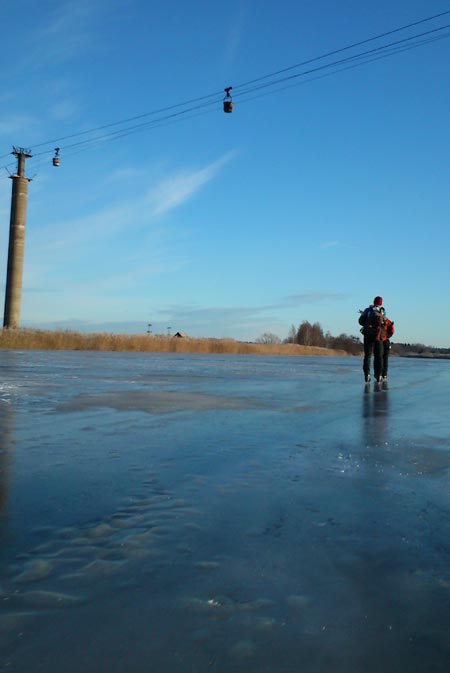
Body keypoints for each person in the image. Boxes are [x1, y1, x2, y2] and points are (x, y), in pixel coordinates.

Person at [358, 295, 386, 383]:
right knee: (379, 357)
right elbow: (385, 323)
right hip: (378, 336)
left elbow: (360, 321)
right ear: (381, 303)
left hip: (368, 335)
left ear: (374, 302)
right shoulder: (383, 311)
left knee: (367, 356)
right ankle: (379, 375)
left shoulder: (368, 310)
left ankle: (367, 374)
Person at [380, 307, 395, 380]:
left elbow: (391, 330)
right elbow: (392, 331)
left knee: (381, 358)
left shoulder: (377, 319)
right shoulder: (387, 320)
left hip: (381, 341)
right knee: (385, 358)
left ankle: (381, 374)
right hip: (385, 341)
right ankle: (384, 374)